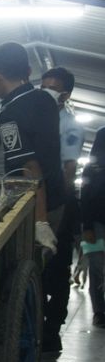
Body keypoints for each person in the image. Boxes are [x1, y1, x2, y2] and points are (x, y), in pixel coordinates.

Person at [0, 42, 66, 354]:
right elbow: (5, 84)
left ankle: (12, 351)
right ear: (28, 72)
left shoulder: (10, 114)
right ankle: (36, 343)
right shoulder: (44, 99)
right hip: (57, 201)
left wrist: (39, 222)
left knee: (19, 279)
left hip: (34, 205)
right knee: (45, 278)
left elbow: (30, 168)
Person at [39, 67, 86, 351]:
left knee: (56, 269)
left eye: (52, 88)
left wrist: (60, 211)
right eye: (42, 86)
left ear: (65, 94)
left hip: (59, 204)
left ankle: (52, 328)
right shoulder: (37, 116)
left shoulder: (69, 125)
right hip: (35, 201)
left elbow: (69, 170)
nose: (45, 92)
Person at [81, 127, 105, 327]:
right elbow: (85, 198)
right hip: (95, 226)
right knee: (96, 268)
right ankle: (99, 311)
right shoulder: (91, 168)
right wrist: (86, 226)